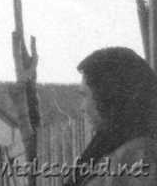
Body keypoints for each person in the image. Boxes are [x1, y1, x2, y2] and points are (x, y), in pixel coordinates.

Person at [65, 47, 157, 186]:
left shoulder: (137, 154)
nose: (82, 107)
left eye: (85, 95)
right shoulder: (108, 147)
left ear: (107, 96)